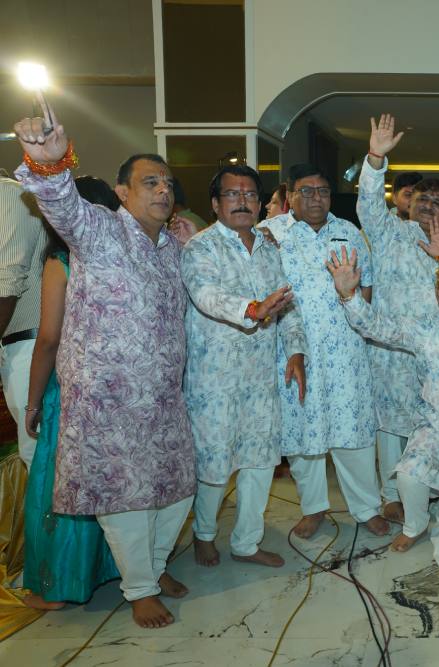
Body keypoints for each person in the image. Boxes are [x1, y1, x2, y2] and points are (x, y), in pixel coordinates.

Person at [13, 101, 198, 629]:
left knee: (177, 486)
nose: (163, 191)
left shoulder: (171, 248)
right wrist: (51, 163)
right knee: (123, 496)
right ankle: (139, 589)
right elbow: (61, 204)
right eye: (149, 183)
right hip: (107, 402)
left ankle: (155, 568)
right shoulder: (99, 230)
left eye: (168, 183)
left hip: (163, 398)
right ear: (122, 192)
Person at [330, 243, 439, 552]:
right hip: (437, 433)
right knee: (409, 474)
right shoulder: (424, 329)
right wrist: (348, 295)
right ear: (437, 295)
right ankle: (415, 525)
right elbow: (376, 327)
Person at [184, 165, 307, 568]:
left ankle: (247, 543)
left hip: (261, 376)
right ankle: (204, 534)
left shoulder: (270, 249)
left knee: (260, 460)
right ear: (215, 203)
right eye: (232, 194)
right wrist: (252, 309)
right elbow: (206, 296)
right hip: (214, 378)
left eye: (250, 194)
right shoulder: (200, 248)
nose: (242, 202)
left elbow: (286, 304)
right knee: (215, 461)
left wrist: (296, 352)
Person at [260, 163, 387, 538]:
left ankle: (366, 508)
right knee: (302, 435)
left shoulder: (349, 232)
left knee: (354, 433)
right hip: (293, 352)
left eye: (323, 191)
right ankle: (313, 508)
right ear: (289, 195)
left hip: (346, 353)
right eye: (307, 191)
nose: (316, 198)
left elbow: (367, 287)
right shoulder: (271, 234)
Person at [358, 114, 439, 524]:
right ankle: (392, 494)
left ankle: (431, 487)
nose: (427, 207)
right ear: (408, 202)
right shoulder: (389, 232)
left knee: (433, 421)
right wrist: (376, 159)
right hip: (390, 349)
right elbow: (367, 204)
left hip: (436, 354)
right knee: (390, 426)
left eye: (437, 203)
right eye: (422, 200)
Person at [21, 177, 120, 610]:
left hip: (74, 386)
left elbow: (48, 339)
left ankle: (58, 586)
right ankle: (114, 567)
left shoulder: (61, 261)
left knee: (62, 482)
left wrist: (32, 401)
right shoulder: (122, 257)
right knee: (111, 477)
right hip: (117, 384)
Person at [0, 173, 47, 472]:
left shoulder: (8, 195)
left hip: (32, 346)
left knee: (39, 457)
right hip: (15, 345)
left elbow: (7, 282)